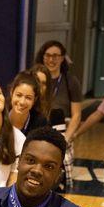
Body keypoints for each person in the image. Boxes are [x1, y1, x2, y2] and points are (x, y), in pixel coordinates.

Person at [35, 41, 83, 187]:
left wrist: (66, 138)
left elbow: (77, 115)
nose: (51, 59)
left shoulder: (70, 81)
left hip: (62, 131)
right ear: (42, 57)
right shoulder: (35, 78)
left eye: (55, 56)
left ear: (62, 58)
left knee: (58, 176)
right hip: (38, 128)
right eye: (48, 55)